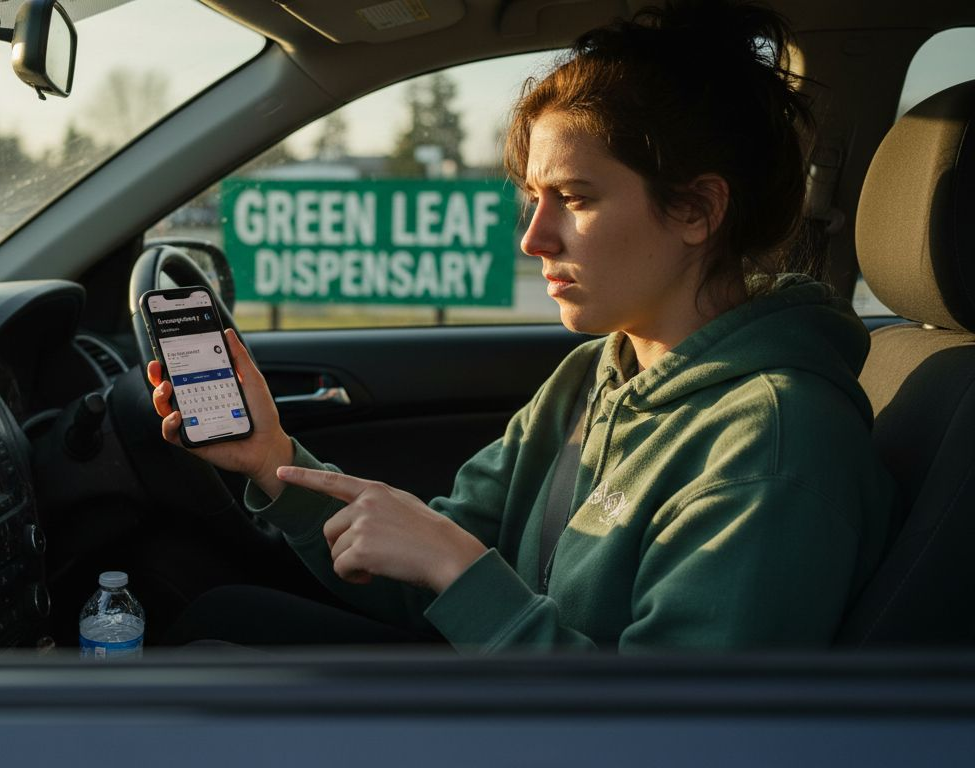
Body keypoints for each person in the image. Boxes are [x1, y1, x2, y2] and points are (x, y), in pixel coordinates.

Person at [147, 0, 894, 652]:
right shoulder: (598, 372)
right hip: (510, 705)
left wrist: (458, 570)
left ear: (698, 210)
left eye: (574, 196)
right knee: (215, 618)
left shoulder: (775, 444)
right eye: (534, 196)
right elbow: (426, 581)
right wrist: (273, 459)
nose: (534, 238)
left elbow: (678, 735)